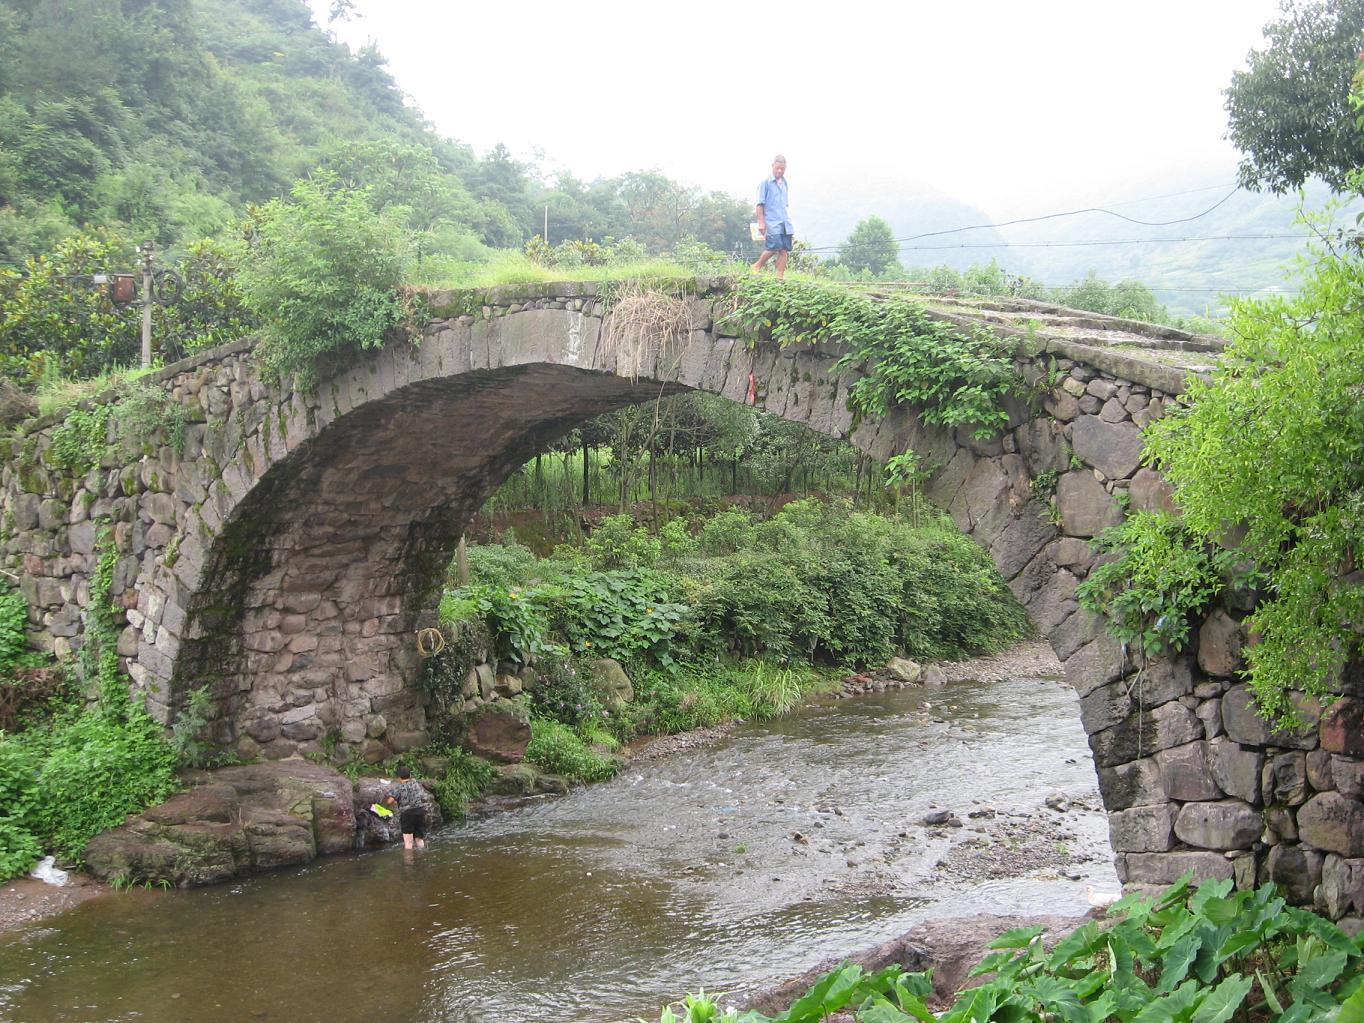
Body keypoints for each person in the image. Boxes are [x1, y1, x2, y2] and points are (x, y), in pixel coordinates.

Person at [752, 154, 792, 279]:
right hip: (771, 221)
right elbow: (760, 204)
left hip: (785, 221)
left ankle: (779, 277)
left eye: (782, 169)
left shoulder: (785, 183)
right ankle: (757, 266)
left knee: (784, 249)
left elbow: (784, 205)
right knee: (774, 247)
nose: (779, 171)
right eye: (777, 168)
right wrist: (761, 223)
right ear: (772, 166)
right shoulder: (765, 183)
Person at [385, 765, 427, 851]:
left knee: (408, 843)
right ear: (410, 775)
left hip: (407, 814)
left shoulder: (399, 788)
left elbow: (389, 801)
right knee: (419, 839)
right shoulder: (415, 783)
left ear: (399, 777)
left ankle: (408, 863)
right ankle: (422, 858)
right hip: (420, 811)